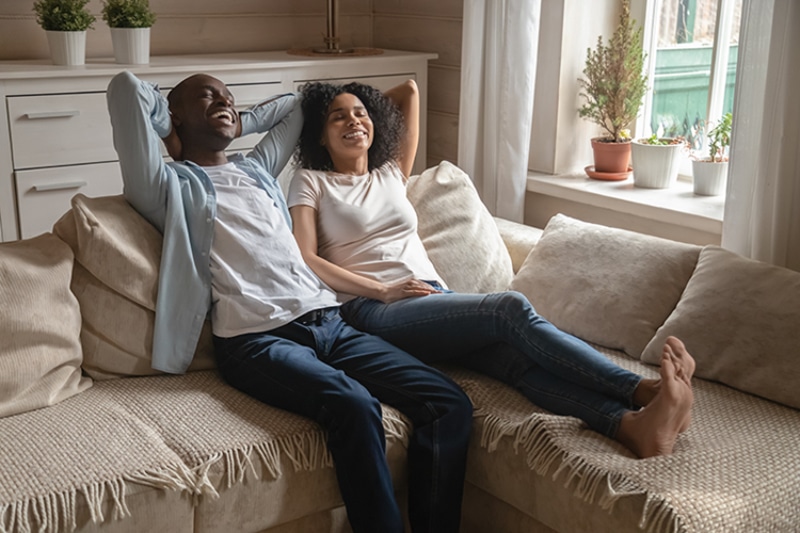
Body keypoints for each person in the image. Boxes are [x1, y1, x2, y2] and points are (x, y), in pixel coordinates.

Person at [106, 70, 474, 533]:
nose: (224, 101)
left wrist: (239, 122)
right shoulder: (166, 184)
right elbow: (125, 89)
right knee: (355, 406)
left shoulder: (256, 168)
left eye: (229, 96)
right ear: (176, 114)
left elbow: (299, 106)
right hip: (256, 340)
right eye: (207, 97)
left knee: (449, 404)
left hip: (329, 323)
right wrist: (170, 131)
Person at [287, 79, 695, 459]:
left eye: (361, 113)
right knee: (508, 309)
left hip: (432, 298)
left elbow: (410, 91)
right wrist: (382, 290)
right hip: (372, 309)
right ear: (319, 136)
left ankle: (630, 427)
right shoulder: (311, 182)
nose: (353, 121)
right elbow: (308, 257)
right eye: (337, 117)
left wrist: (355, 100)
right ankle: (642, 389)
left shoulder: (391, 173)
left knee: (513, 362)